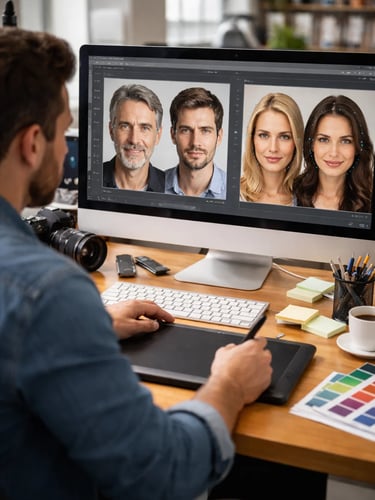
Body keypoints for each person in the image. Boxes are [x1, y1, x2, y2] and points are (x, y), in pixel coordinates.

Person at [0, 27, 273, 500]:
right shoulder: (48, 292)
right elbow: (162, 471)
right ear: (31, 144)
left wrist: (86, 329)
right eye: (66, 131)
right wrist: (228, 384)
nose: (69, 151)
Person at [294, 94, 374, 212]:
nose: (334, 152)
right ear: (311, 144)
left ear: (358, 147)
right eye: (324, 139)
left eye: (345, 141)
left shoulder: (369, 201)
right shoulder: (290, 193)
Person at [240, 92, 304, 205]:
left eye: (284, 137)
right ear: (252, 139)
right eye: (264, 135)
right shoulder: (229, 192)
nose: (273, 148)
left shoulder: (307, 201)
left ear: (296, 142)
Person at [165, 87, 227, 198]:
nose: (195, 142)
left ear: (219, 136)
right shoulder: (152, 186)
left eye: (205, 131)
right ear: (173, 135)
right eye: (186, 130)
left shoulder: (238, 193)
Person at [103, 83, 165, 191]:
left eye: (145, 128)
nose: (134, 140)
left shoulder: (171, 188)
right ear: (111, 131)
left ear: (158, 135)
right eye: (125, 126)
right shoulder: (88, 180)